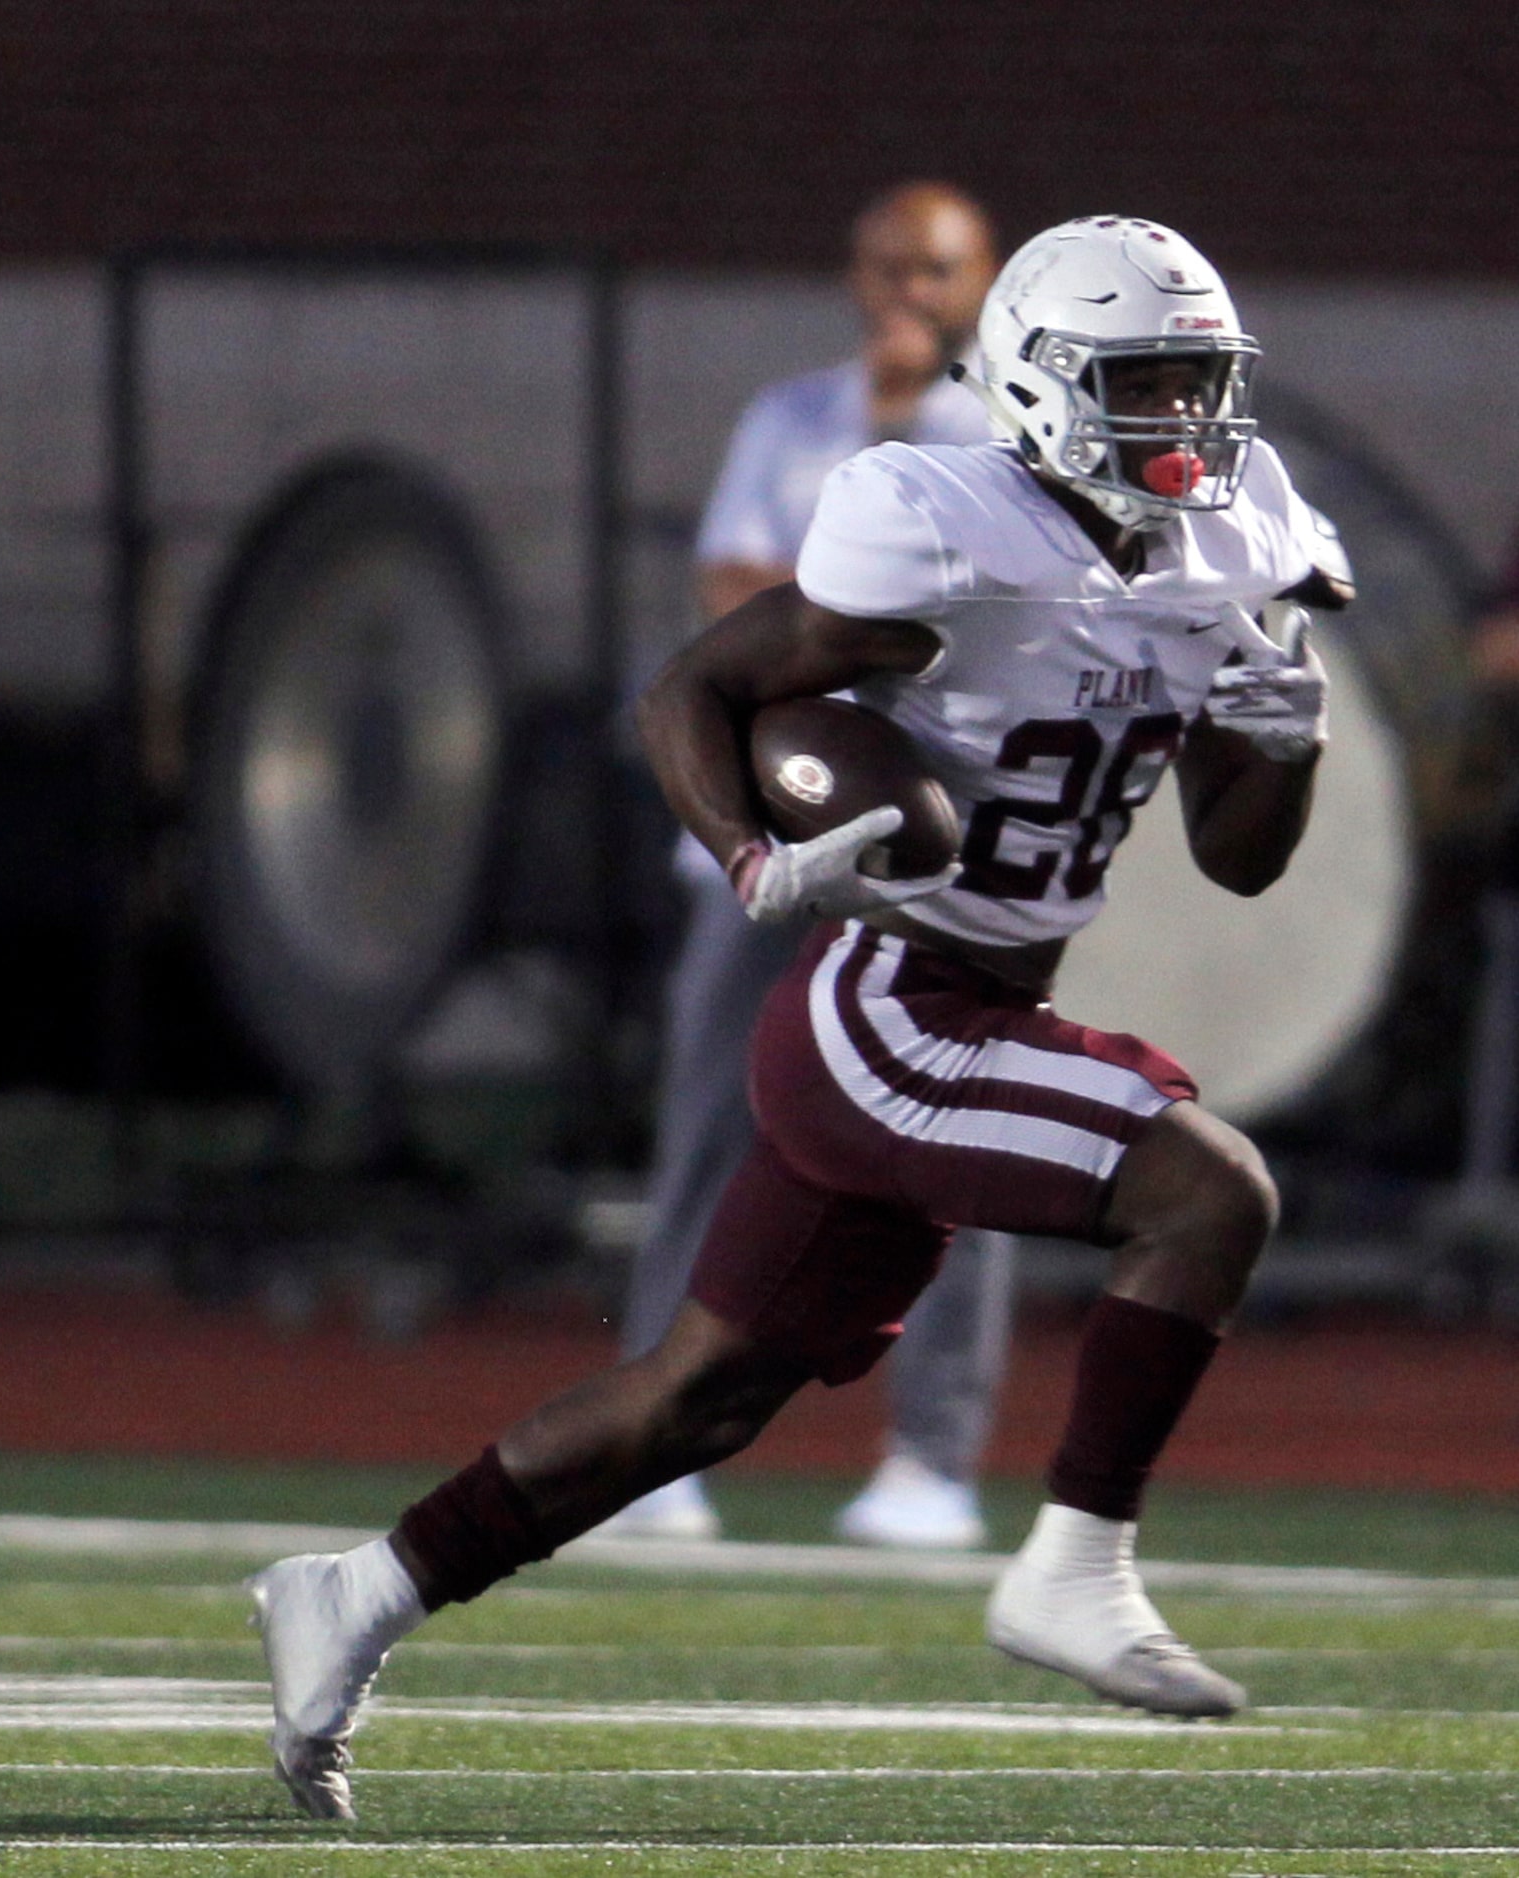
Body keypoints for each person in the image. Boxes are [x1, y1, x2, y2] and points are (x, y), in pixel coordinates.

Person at [249, 215, 1352, 1820]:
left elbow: (1239, 862)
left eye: (1200, 382)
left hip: (971, 1006)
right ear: (1042, 391)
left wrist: (1283, 741)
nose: (1185, 424)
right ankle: (1074, 1564)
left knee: (694, 1398)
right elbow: (687, 688)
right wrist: (748, 852)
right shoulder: (941, 522)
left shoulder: (1231, 532)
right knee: (1208, 1189)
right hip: (885, 1002)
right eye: (1145, 384)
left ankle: (356, 1589)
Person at [605, 181, 1014, 1551]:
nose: (910, 290)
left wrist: (834, 585)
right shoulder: (785, 417)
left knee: (944, 1134)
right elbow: (728, 594)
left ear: (986, 280)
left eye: (938, 269)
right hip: (760, 832)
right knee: (712, 1128)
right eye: (888, 264)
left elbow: (959, 618)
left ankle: (930, 1454)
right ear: (852, 273)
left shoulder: (1006, 432)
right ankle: (657, 1442)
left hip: (925, 842)